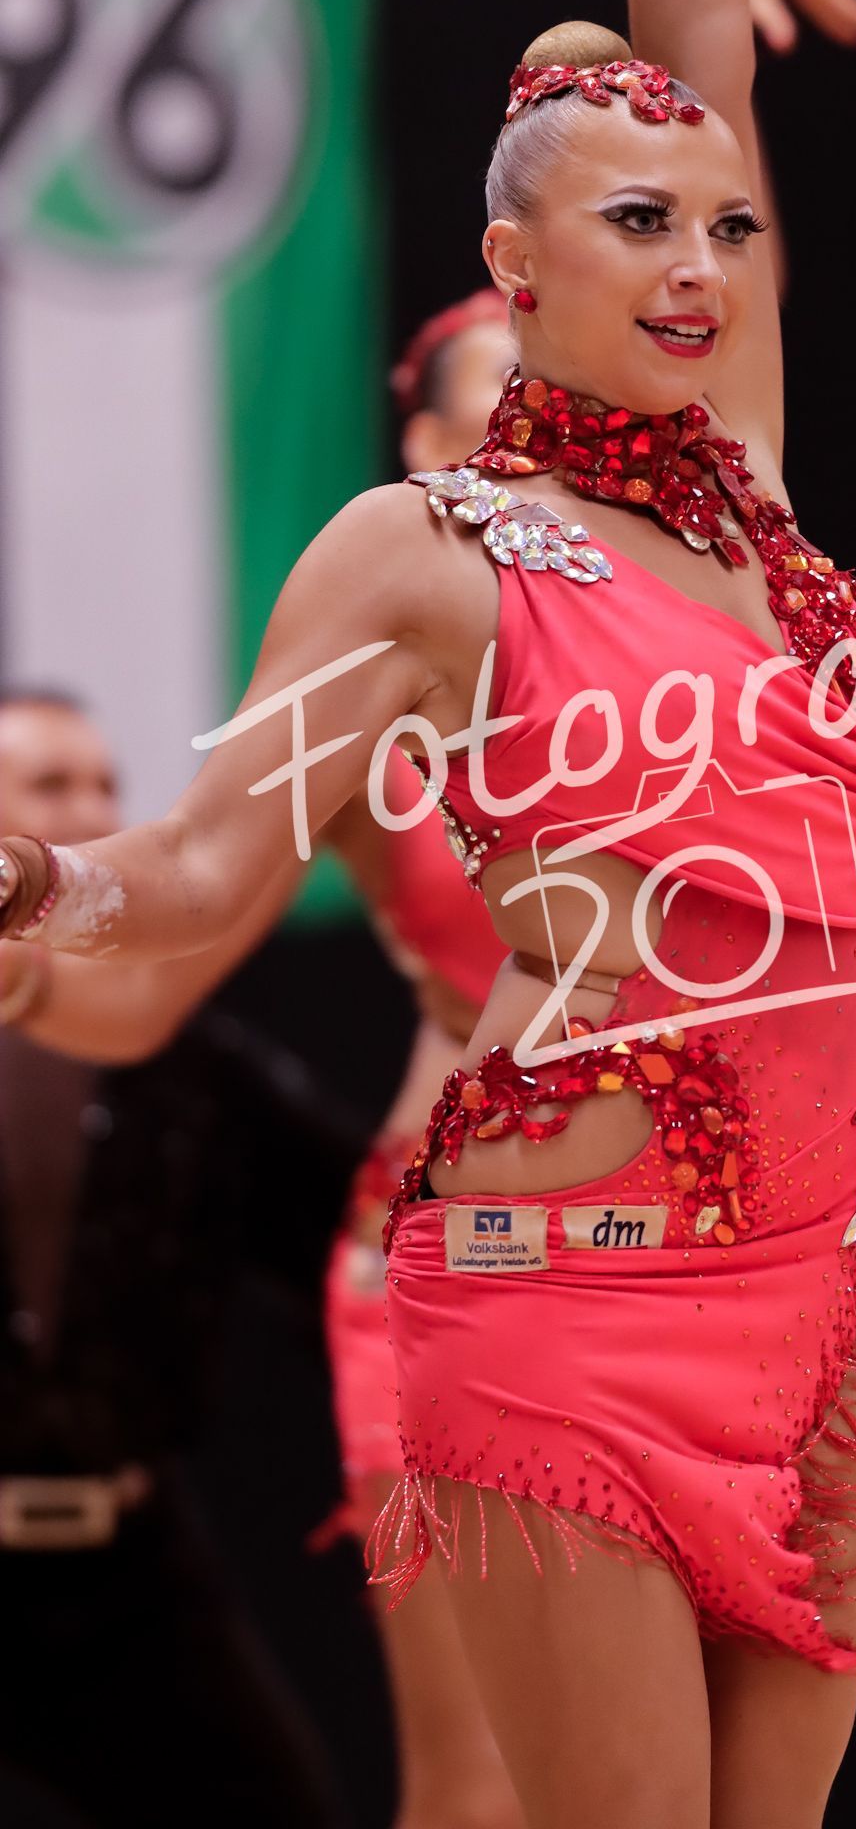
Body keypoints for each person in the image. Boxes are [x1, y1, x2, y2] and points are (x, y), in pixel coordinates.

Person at [0, 0, 856, 1827]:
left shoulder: (751, 498)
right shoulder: (423, 552)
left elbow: (705, 56)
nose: (698, 264)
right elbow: (205, 864)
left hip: (817, 1298)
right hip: (562, 1287)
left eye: (727, 228)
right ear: (513, 260)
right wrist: (35, 878)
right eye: (638, 223)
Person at [0, 689, 354, 1829]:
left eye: (107, 784)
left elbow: (355, 1234)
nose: (91, 809)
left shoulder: (194, 1059)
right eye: (51, 784)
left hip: (127, 1565)